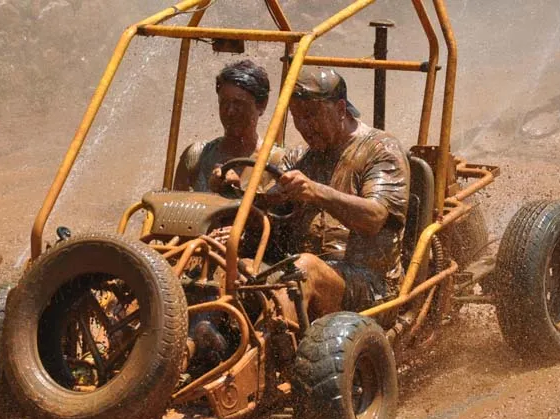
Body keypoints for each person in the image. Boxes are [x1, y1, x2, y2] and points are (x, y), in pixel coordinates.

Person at [272, 66, 411, 320]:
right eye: (297, 117)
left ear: (340, 109)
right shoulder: (299, 157)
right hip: (303, 272)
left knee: (305, 270)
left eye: (311, 115)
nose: (304, 126)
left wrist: (316, 191)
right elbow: (267, 200)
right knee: (239, 267)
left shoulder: (381, 150)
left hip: (371, 287)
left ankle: (266, 344)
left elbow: (374, 218)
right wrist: (233, 190)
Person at [173, 59, 281, 193]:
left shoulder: (277, 162)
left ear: (262, 105)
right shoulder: (196, 157)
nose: (230, 111)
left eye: (239, 103)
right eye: (224, 103)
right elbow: (174, 203)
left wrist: (235, 192)